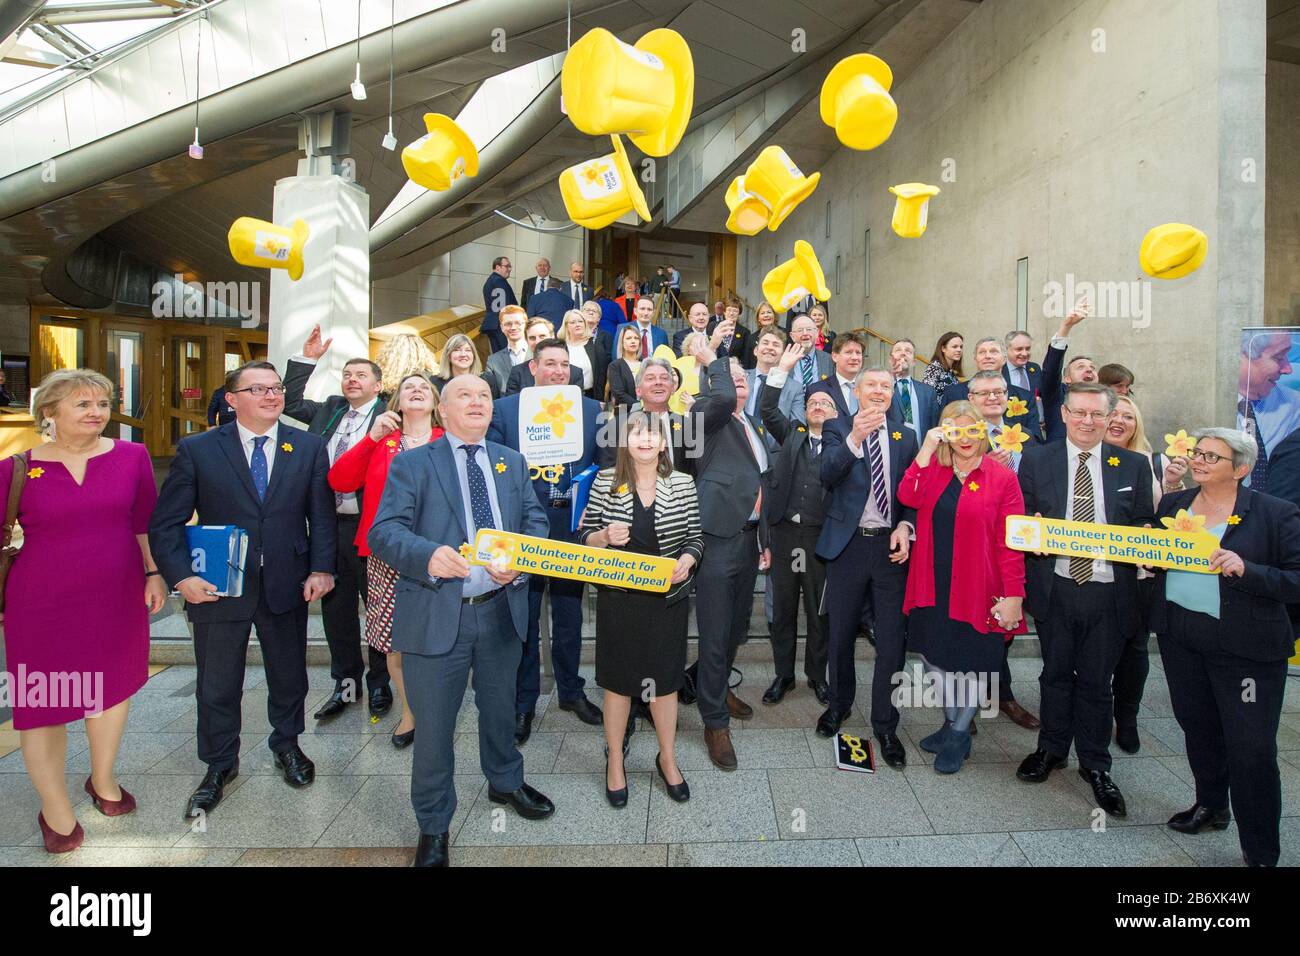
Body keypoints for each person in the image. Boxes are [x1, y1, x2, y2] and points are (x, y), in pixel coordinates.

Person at [368, 374, 553, 867]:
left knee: (499, 711)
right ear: (442, 411)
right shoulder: (412, 463)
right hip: (435, 615)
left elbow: (535, 521)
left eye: (485, 396)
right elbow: (383, 531)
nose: (477, 402)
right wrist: (428, 555)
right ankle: (433, 825)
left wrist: (522, 557)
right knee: (433, 728)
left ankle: (505, 782)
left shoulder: (511, 461)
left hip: (499, 612)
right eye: (464, 396)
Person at [150, 361, 336, 819]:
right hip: (217, 584)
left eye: (276, 388)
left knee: (289, 673)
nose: (272, 396)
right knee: (217, 681)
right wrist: (181, 577)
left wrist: (321, 569)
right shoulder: (198, 450)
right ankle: (218, 763)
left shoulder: (308, 447)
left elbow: (323, 516)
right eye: (259, 390)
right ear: (232, 399)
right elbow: (166, 523)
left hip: (286, 582)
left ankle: (288, 745)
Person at [3, 369, 166, 853]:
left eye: (102, 403)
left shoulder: (132, 457)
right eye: (83, 404)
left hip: (115, 595)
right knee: (41, 705)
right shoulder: (16, 468)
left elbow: (144, 523)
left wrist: (154, 572)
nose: (96, 412)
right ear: (49, 412)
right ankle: (55, 809)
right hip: (40, 602)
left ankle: (102, 779)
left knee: (110, 690)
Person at [1150, 428, 1300, 867]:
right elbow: (1168, 557)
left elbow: (1295, 579)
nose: (1199, 461)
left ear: (1241, 469)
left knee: (1251, 748)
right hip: (1181, 639)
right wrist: (1151, 559)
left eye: (1211, 457)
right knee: (1198, 728)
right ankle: (1212, 805)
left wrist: (1247, 569)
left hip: (1246, 650)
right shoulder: (1174, 504)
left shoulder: (1276, 514)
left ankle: (1260, 851)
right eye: (1198, 453)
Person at [1014, 382, 1154, 817]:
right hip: (1055, 587)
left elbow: (1145, 519)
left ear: (1111, 417)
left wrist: (1149, 536)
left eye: (1097, 414)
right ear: (1064, 414)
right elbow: (1019, 516)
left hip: (1110, 592)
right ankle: (1051, 749)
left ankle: (1095, 766)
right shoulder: (1037, 458)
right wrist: (1028, 530)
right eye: (1080, 413)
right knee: (1054, 674)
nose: (1088, 421)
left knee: (1096, 682)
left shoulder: (1130, 464)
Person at [489, 339, 612, 743]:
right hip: (523, 530)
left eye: (565, 364)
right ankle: (524, 702)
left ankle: (571, 692)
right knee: (524, 618)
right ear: (533, 366)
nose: (559, 371)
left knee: (569, 614)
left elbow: (608, 468)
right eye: (551, 364)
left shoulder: (593, 411)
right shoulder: (506, 410)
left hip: (572, 528)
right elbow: (492, 467)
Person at [580, 410, 701, 806]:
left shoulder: (683, 484)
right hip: (620, 602)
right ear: (625, 443)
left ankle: (667, 758)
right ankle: (615, 760)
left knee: (664, 685)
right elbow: (582, 536)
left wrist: (688, 560)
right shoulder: (603, 482)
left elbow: (695, 537)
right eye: (636, 434)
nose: (645, 440)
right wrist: (601, 535)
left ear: (663, 443)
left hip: (667, 602)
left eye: (652, 434)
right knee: (618, 685)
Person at [898, 400, 1026, 774]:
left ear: (983, 432)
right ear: (944, 432)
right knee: (932, 654)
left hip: (980, 585)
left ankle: (957, 731)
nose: (966, 438)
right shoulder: (934, 469)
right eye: (956, 430)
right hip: (932, 582)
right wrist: (924, 450)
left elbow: (1011, 542)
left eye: (973, 429)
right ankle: (955, 722)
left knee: (972, 664)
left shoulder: (1002, 477)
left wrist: (1014, 595)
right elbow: (908, 496)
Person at [329, 373, 445, 749]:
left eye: (423, 387)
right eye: (408, 387)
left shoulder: (449, 441)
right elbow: (340, 479)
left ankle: (437, 709)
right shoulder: (383, 442)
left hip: (438, 555)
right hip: (388, 555)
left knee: (435, 636)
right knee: (394, 640)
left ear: (436, 402)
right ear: (395, 402)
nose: (415, 390)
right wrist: (372, 437)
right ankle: (411, 711)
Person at [283, 326, 390, 721]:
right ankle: (346, 686)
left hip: (370, 527)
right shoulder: (329, 409)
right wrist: (307, 359)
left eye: (361, 375)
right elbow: (290, 401)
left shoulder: (387, 417)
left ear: (378, 385)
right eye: (347, 374)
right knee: (336, 609)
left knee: (377, 607)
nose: (351, 380)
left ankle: (381, 685)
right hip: (328, 526)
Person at [813, 367, 917, 770]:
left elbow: (911, 490)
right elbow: (826, 474)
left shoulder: (905, 435)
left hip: (891, 549)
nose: (879, 391)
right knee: (839, 634)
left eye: (886, 387)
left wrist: (907, 525)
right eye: (871, 385)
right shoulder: (837, 427)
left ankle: (886, 725)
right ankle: (838, 705)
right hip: (848, 546)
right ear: (856, 391)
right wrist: (856, 437)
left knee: (891, 641)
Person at [681, 345, 772, 770]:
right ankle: (714, 720)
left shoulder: (749, 421)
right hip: (716, 538)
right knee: (715, 633)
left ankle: (711, 686)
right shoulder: (704, 418)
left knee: (736, 628)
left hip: (750, 539)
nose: (739, 379)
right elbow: (718, 396)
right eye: (730, 375)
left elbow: (760, 482)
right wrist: (713, 358)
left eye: (744, 375)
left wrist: (765, 539)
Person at [1103, 394, 1186, 753]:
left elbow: (1172, 519)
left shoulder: (1153, 463)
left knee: (1134, 651)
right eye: (1113, 414)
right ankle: (1094, 713)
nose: (1120, 421)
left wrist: (1171, 484)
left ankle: (1127, 717)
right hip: (1093, 573)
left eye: (1128, 416)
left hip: (1139, 577)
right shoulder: (1079, 461)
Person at [758, 344, 838, 705]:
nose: (817, 407)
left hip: (821, 540)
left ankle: (816, 677)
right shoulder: (792, 435)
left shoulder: (845, 446)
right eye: (812, 404)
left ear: (837, 414)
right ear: (804, 412)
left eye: (825, 404)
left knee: (819, 614)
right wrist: (781, 370)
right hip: (787, 535)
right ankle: (783, 676)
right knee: (785, 611)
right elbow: (767, 409)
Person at [963, 369, 1041, 729]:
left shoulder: (1029, 438)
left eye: (999, 392)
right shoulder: (963, 440)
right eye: (983, 393)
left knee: (1007, 625)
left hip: (1024, 542)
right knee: (972, 621)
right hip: (979, 544)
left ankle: (1001, 693)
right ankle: (967, 701)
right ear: (971, 399)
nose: (992, 398)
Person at [1236, 331, 1300, 492]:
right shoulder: (1203, 407)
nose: (1288, 369)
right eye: (1278, 358)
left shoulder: (1294, 404)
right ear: (1242, 357)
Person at [945, 338, 1043, 441]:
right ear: (975, 359)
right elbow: (946, 434)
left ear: (1005, 359)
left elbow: (1035, 439)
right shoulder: (953, 393)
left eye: (994, 351)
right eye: (982, 352)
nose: (988, 356)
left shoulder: (1024, 397)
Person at [631, 357, 697, 477]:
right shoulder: (620, 427)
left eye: (664, 378)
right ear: (638, 391)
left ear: (672, 388)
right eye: (650, 378)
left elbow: (695, 470)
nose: (658, 382)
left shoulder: (688, 426)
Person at [1036, 301, 1091, 441]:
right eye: (1080, 367)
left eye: (1092, 368)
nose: (1089, 370)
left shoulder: (1105, 398)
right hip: (1059, 458)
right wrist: (1066, 326)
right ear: (1067, 378)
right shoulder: (1057, 395)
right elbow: (1051, 370)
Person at [745, 327, 805, 427]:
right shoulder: (741, 377)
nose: (770, 347)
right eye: (765, 343)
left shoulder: (795, 388)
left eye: (776, 345)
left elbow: (797, 428)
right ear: (756, 350)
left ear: (782, 355)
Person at [505, 319, 582, 394]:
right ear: (526, 341)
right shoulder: (518, 372)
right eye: (532, 338)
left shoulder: (574, 373)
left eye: (542, 336)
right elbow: (511, 403)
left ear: (552, 336)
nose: (537, 341)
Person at [805, 332, 866, 419]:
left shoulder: (870, 389)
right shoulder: (817, 389)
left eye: (858, 353)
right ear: (834, 356)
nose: (854, 357)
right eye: (848, 352)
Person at [888, 338, 939, 438]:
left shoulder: (928, 392)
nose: (903, 353)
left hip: (922, 450)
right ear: (890, 360)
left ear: (914, 362)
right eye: (898, 350)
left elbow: (934, 425)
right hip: (893, 450)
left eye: (908, 351)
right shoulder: (882, 389)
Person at [559, 307, 607, 401]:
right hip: (565, 397)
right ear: (566, 326)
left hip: (590, 396)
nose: (577, 325)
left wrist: (600, 400)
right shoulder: (560, 347)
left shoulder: (595, 346)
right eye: (572, 322)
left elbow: (601, 376)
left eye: (580, 321)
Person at [484, 304, 531, 398]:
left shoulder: (539, 354)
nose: (513, 327)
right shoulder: (493, 361)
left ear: (525, 324)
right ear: (501, 327)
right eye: (508, 324)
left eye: (518, 323)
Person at [607, 324, 648, 409]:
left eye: (636, 338)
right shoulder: (615, 366)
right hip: (625, 414)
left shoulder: (646, 364)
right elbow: (619, 394)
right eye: (629, 338)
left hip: (649, 413)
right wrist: (641, 406)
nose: (633, 341)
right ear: (622, 342)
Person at [481, 256, 516, 353]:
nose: (509, 269)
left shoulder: (489, 282)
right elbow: (507, 305)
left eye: (510, 266)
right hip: (502, 325)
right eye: (507, 266)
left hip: (492, 325)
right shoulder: (500, 281)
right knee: (508, 357)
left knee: (498, 357)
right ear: (497, 267)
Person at [788, 314, 834, 386]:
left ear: (816, 333)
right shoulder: (782, 360)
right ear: (792, 336)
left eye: (809, 329)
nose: (805, 333)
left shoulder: (829, 360)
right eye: (800, 330)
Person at [709, 299, 753, 369]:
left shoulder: (745, 332)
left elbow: (746, 357)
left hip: (736, 370)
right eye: (729, 310)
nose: (731, 313)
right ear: (724, 312)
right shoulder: (714, 328)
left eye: (735, 311)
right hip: (716, 369)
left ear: (739, 313)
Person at [922, 332, 963, 404]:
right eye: (954, 347)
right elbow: (927, 398)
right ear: (943, 348)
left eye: (961, 347)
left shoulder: (950, 372)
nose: (959, 350)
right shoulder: (933, 369)